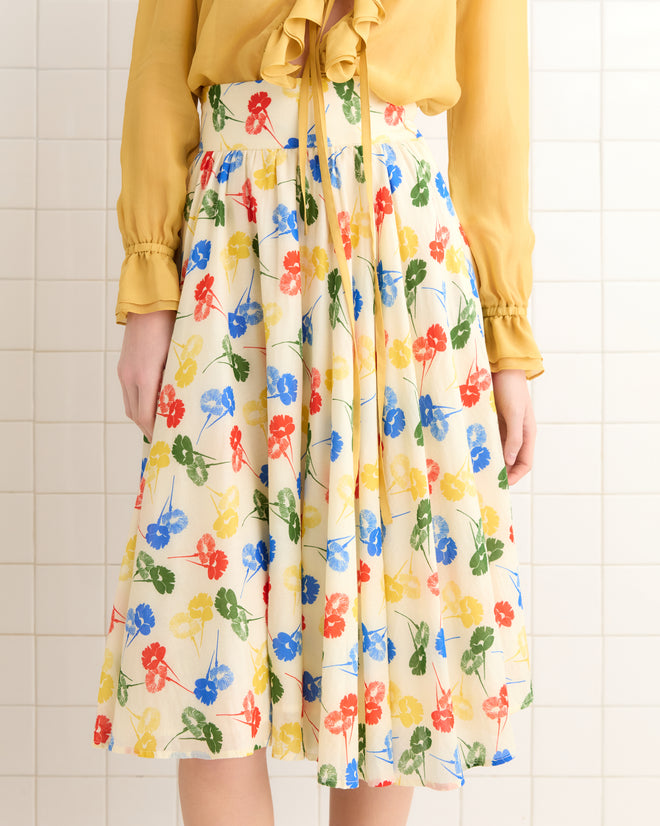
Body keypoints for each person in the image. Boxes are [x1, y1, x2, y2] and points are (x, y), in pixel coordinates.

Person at [91, 2, 544, 824]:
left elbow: (496, 114)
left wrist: (508, 338)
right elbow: (160, 69)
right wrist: (151, 286)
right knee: (214, 654)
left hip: (400, 259)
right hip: (234, 248)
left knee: (390, 630)